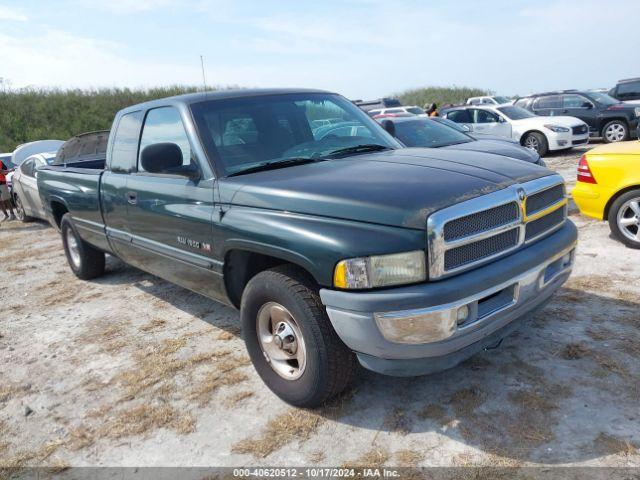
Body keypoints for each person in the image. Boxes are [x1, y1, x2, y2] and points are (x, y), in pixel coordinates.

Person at [0, 158, 16, 222]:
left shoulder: (0, 162)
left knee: (6, 199)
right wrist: (10, 170)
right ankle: (6, 215)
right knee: (0, 202)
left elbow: (3, 171)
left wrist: (9, 171)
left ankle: (12, 214)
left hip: (1, 183)